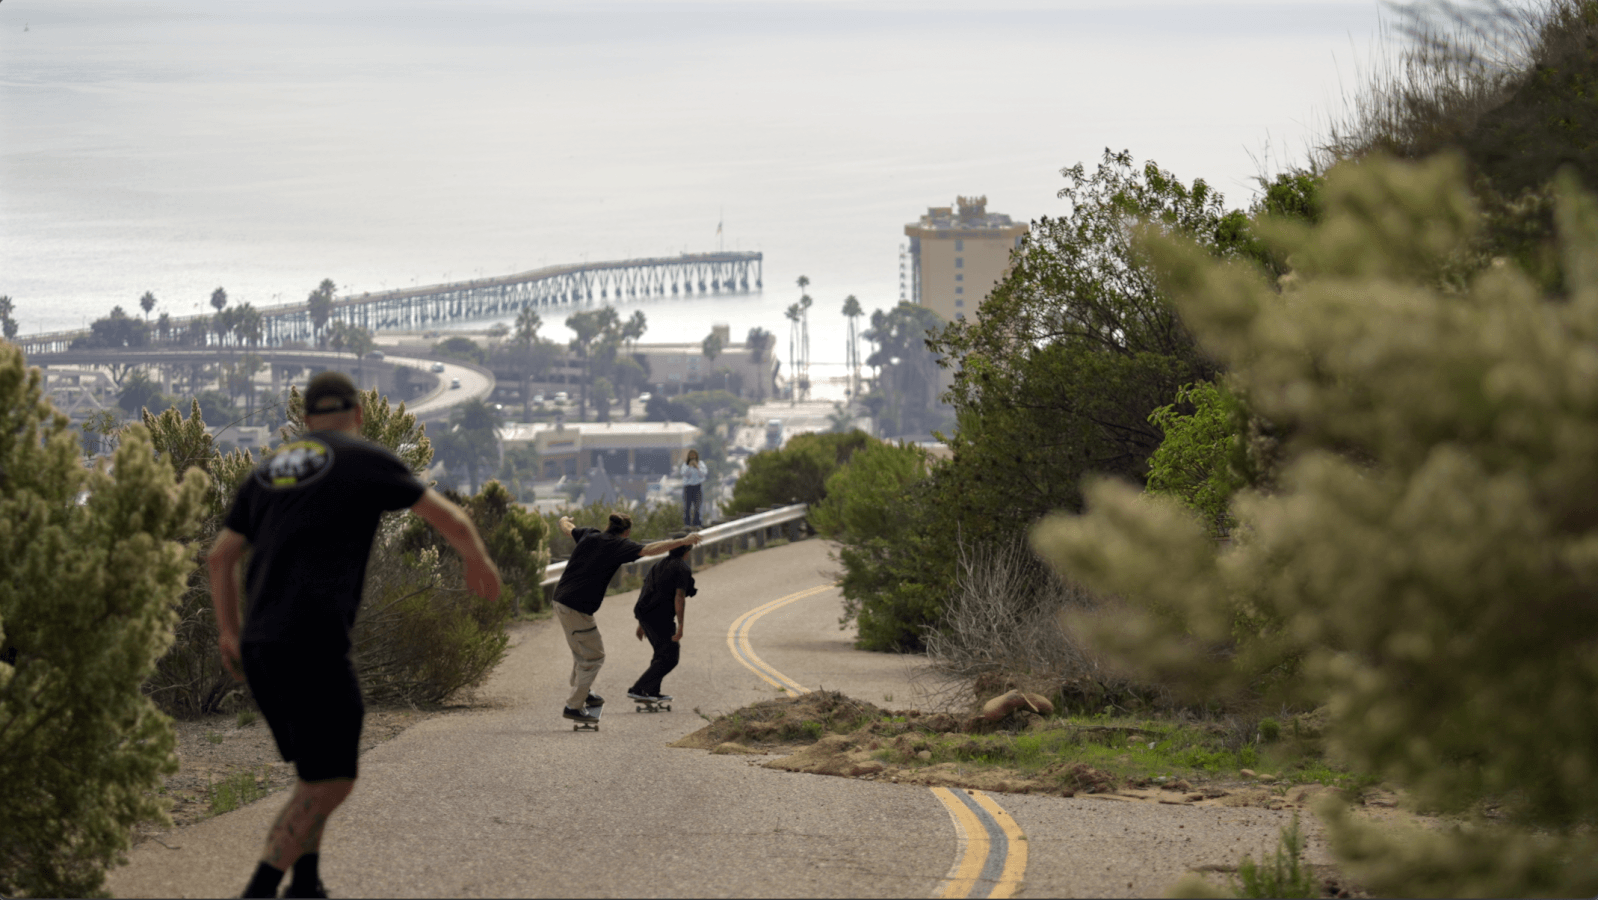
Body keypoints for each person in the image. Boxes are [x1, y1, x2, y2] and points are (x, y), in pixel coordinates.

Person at [208, 372, 503, 900]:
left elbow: (221, 556)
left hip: (261, 646)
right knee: (333, 780)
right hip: (313, 643)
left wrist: (229, 632)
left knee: (313, 773)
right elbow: (448, 518)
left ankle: (306, 882)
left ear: (303, 419)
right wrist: (477, 561)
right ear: (360, 414)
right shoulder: (365, 457)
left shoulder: (267, 471)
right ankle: (259, 888)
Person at [551, 512, 700, 724]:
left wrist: (564, 520)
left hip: (561, 601)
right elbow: (649, 549)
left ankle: (585, 691)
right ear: (627, 532)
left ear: (608, 525)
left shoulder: (589, 534)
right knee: (594, 657)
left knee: (582, 648)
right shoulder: (619, 545)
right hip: (577, 608)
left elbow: (566, 528)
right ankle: (574, 706)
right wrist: (683, 541)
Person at [627, 536, 696, 702]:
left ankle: (651, 691)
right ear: (686, 552)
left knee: (661, 653)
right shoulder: (681, 568)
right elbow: (679, 597)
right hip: (659, 616)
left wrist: (641, 623)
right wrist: (681, 626)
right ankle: (638, 689)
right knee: (670, 657)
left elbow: (647, 590)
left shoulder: (658, 565)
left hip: (645, 613)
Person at [679, 449, 706, 528]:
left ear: (696, 456)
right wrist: (689, 466)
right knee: (687, 506)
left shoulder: (701, 464)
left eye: (694, 455)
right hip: (688, 487)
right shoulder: (685, 465)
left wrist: (697, 467)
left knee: (697, 506)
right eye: (691, 455)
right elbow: (684, 474)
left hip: (697, 486)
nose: (692, 457)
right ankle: (687, 523)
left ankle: (697, 523)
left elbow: (703, 474)